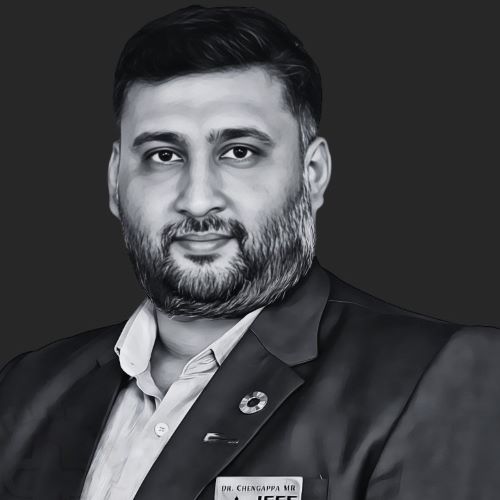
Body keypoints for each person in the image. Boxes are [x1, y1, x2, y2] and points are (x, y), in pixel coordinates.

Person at [0, 5, 499, 500]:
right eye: (164, 155)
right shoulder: (26, 388)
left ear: (313, 174)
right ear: (115, 181)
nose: (198, 199)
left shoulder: (443, 375)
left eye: (239, 152)